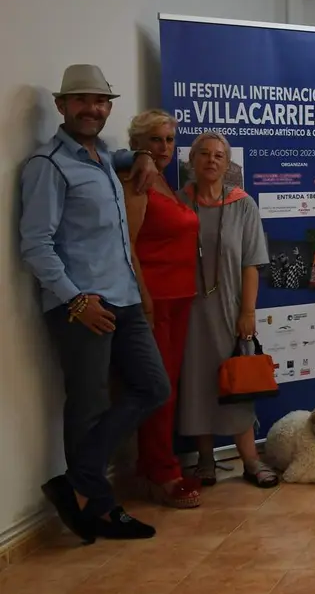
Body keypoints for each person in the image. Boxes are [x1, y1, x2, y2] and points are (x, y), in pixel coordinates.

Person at [20, 64, 170, 542]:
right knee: (89, 404)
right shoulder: (48, 166)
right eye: (82, 100)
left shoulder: (103, 156)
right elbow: (35, 244)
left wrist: (144, 152)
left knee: (153, 386)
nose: (93, 109)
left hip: (123, 297)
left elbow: (129, 153)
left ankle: (76, 481)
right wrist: (74, 300)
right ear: (62, 106)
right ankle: (98, 506)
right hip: (82, 304)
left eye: (101, 102)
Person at [177, 131, 277, 489]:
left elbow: (252, 263)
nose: (211, 160)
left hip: (231, 305)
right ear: (192, 161)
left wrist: (247, 312)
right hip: (189, 309)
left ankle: (250, 460)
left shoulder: (243, 204)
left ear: (228, 163)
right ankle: (205, 460)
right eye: (204, 153)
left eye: (219, 155)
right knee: (197, 382)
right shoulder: (179, 203)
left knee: (236, 382)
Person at [119, 109, 203, 509]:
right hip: (154, 302)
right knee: (159, 390)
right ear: (137, 143)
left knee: (169, 387)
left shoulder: (168, 183)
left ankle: (156, 466)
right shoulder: (137, 182)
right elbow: (127, 246)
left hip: (182, 298)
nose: (164, 147)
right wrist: (146, 300)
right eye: (155, 140)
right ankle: (160, 471)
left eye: (170, 140)